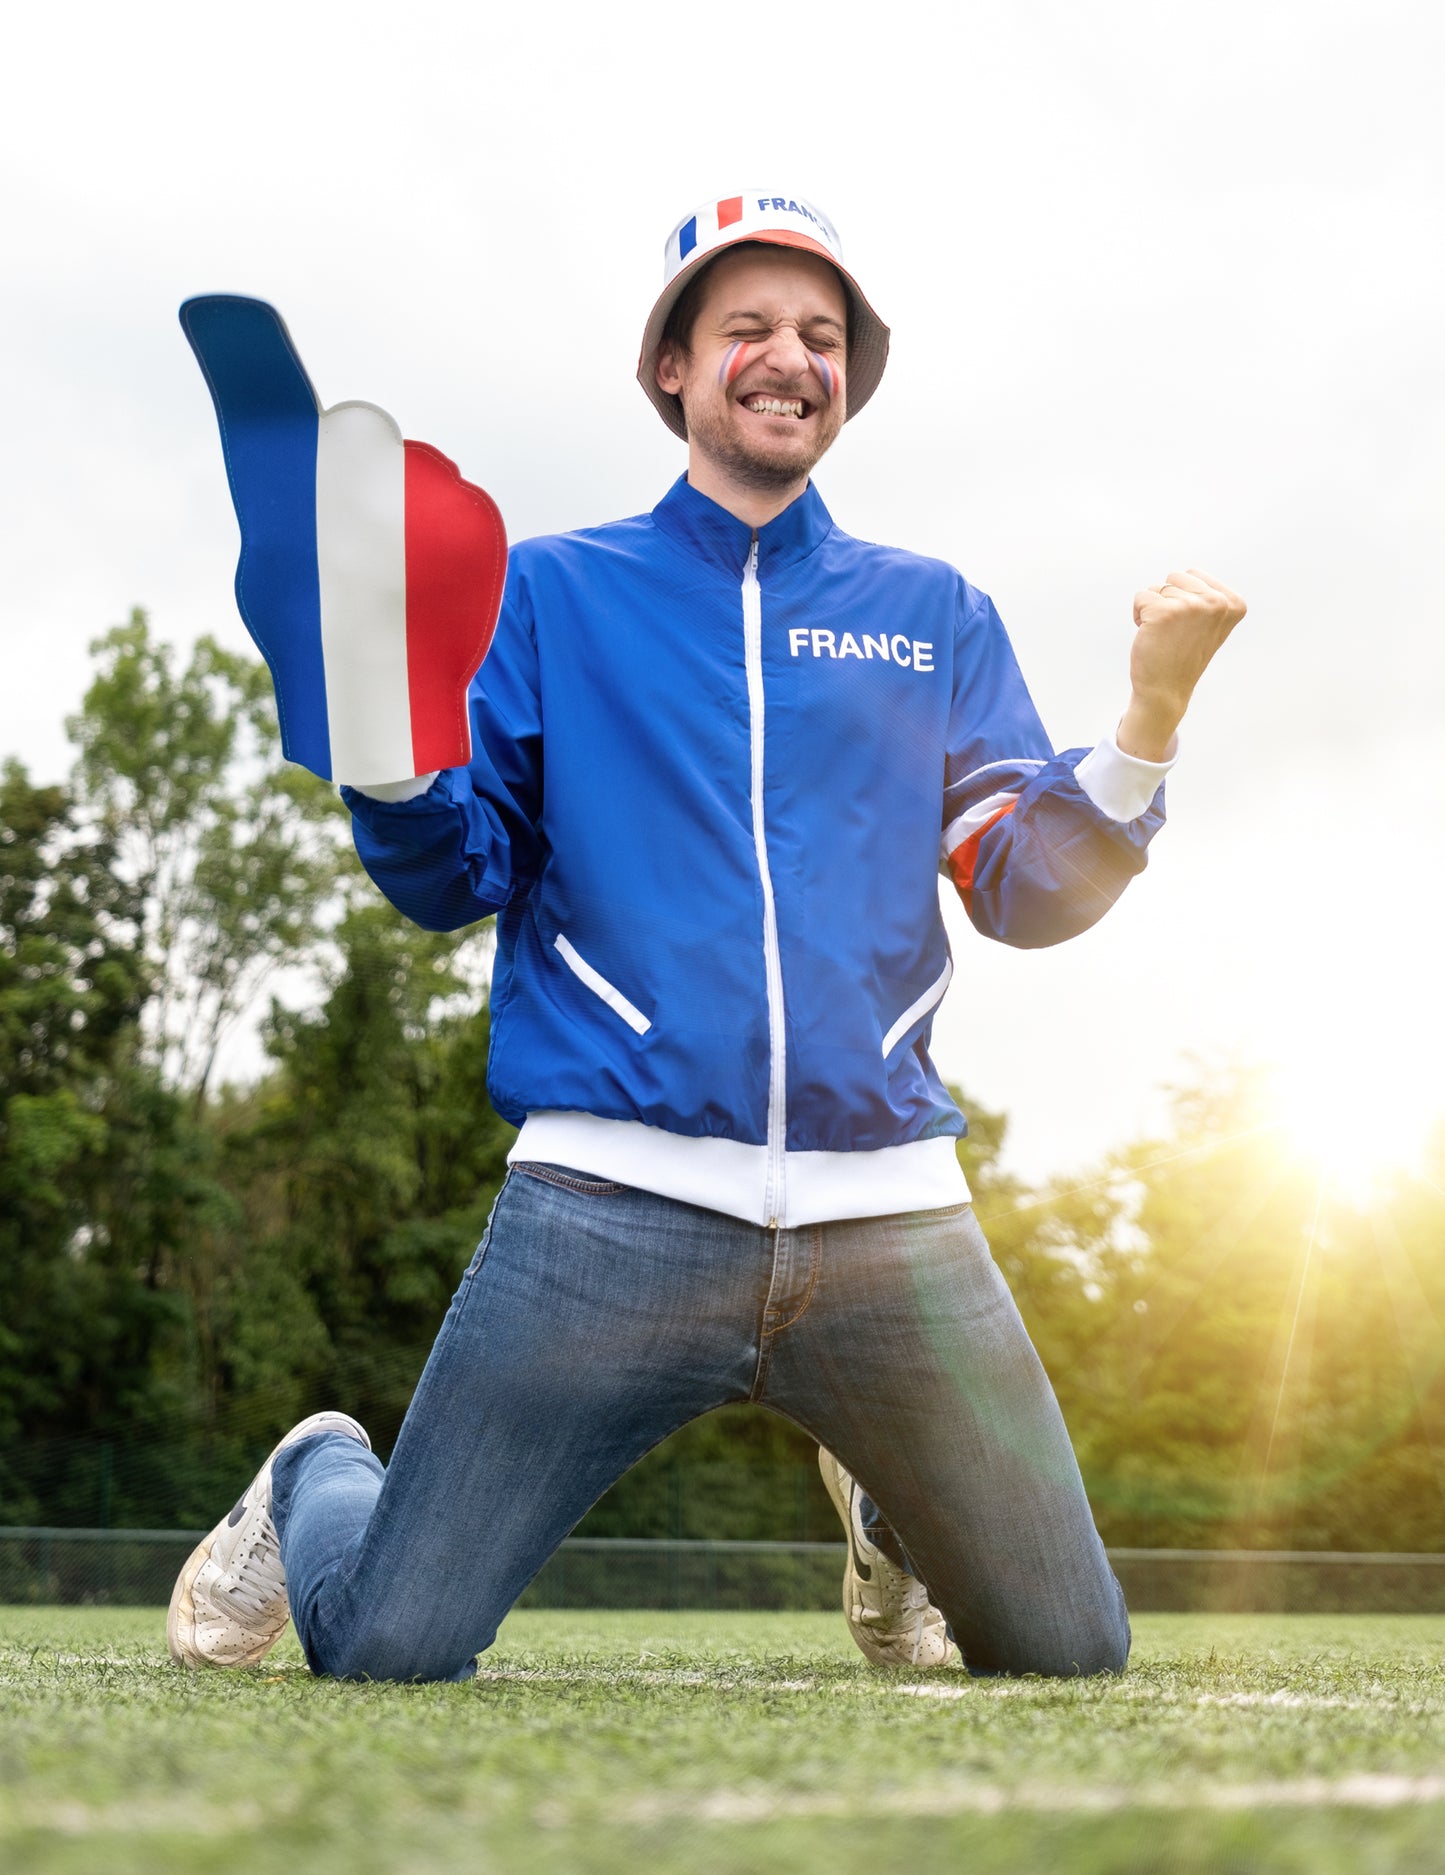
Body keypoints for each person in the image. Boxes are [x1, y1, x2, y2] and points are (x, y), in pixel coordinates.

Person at [168, 190, 1245, 1682]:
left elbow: (1024, 888)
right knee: (387, 1648)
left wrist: (1149, 714)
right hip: (608, 1207)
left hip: (890, 1223)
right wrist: (394, 765)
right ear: (673, 369)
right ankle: (317, 1475)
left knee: (1067, 1649)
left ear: (848, 381)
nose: (790, 357)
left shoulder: (933, 613)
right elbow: (454, 870)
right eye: (748, 327)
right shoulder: (550, 593)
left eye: (822, 336)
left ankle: (895, 1501)